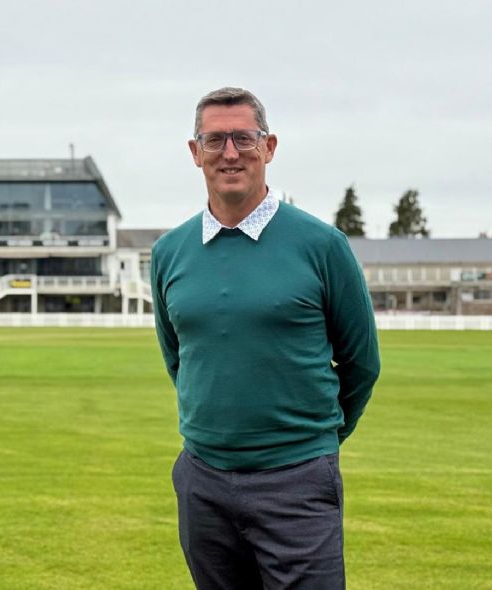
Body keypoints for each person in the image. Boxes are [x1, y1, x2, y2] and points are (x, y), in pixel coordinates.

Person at [150, 87, 380, 589]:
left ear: (269, 147)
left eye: (244, 138)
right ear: (195, 153)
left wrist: (316, 439)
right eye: (214, 140)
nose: (229, 153)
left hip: (296, 479)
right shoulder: (169, 252)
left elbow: (362, 362)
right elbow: (179, 358)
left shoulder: (322, 245)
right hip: (203, 480)